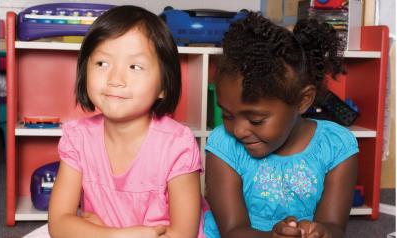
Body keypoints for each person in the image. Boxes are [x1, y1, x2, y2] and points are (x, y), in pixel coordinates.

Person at [48, 5, 205, 238]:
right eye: (102, 64)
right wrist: (115, 236)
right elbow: (59, 224)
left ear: (164, 84)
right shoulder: (78, 137)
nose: (115, 79)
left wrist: (88, 230)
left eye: (135, 67)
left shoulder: (177, 144)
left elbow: (183, 233)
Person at [203, 11, 358, 238]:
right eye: (227, 115)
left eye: (256, 120)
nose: (238, 130)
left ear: (303, 100)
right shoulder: (223, 145)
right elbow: (233, 230)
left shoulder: (336, 147)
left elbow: (335, 226)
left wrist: (320, 232)